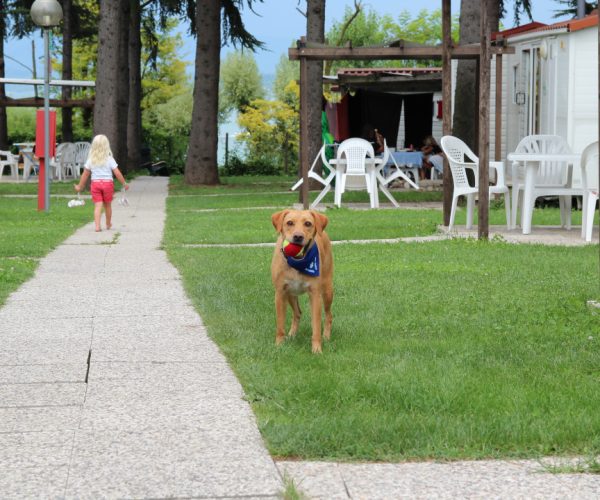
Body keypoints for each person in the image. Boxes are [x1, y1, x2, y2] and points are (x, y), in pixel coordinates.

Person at [74, 134, 129, 232]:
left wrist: (80, 186)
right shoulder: (109, 159)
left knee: (98, 205)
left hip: (95, 184)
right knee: (107, 205)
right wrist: (124, 183)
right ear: (106, 146)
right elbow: (117, 173)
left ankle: (97, 226)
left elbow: (85, 174)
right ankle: (108, 223)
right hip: (108, 184)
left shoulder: (91, 160)